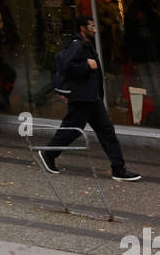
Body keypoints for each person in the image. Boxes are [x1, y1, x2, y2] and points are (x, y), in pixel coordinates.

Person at [39, 16, 140, 180]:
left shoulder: (86, 45)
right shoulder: (76, 45)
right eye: (91, 26)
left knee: (107, 132)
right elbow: (66, 66)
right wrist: (87, 66)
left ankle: (118, 169)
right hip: (82, 98)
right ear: (82, 28)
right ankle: (49, 154)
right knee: (71, 130)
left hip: (91, 98)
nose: (95, 29)